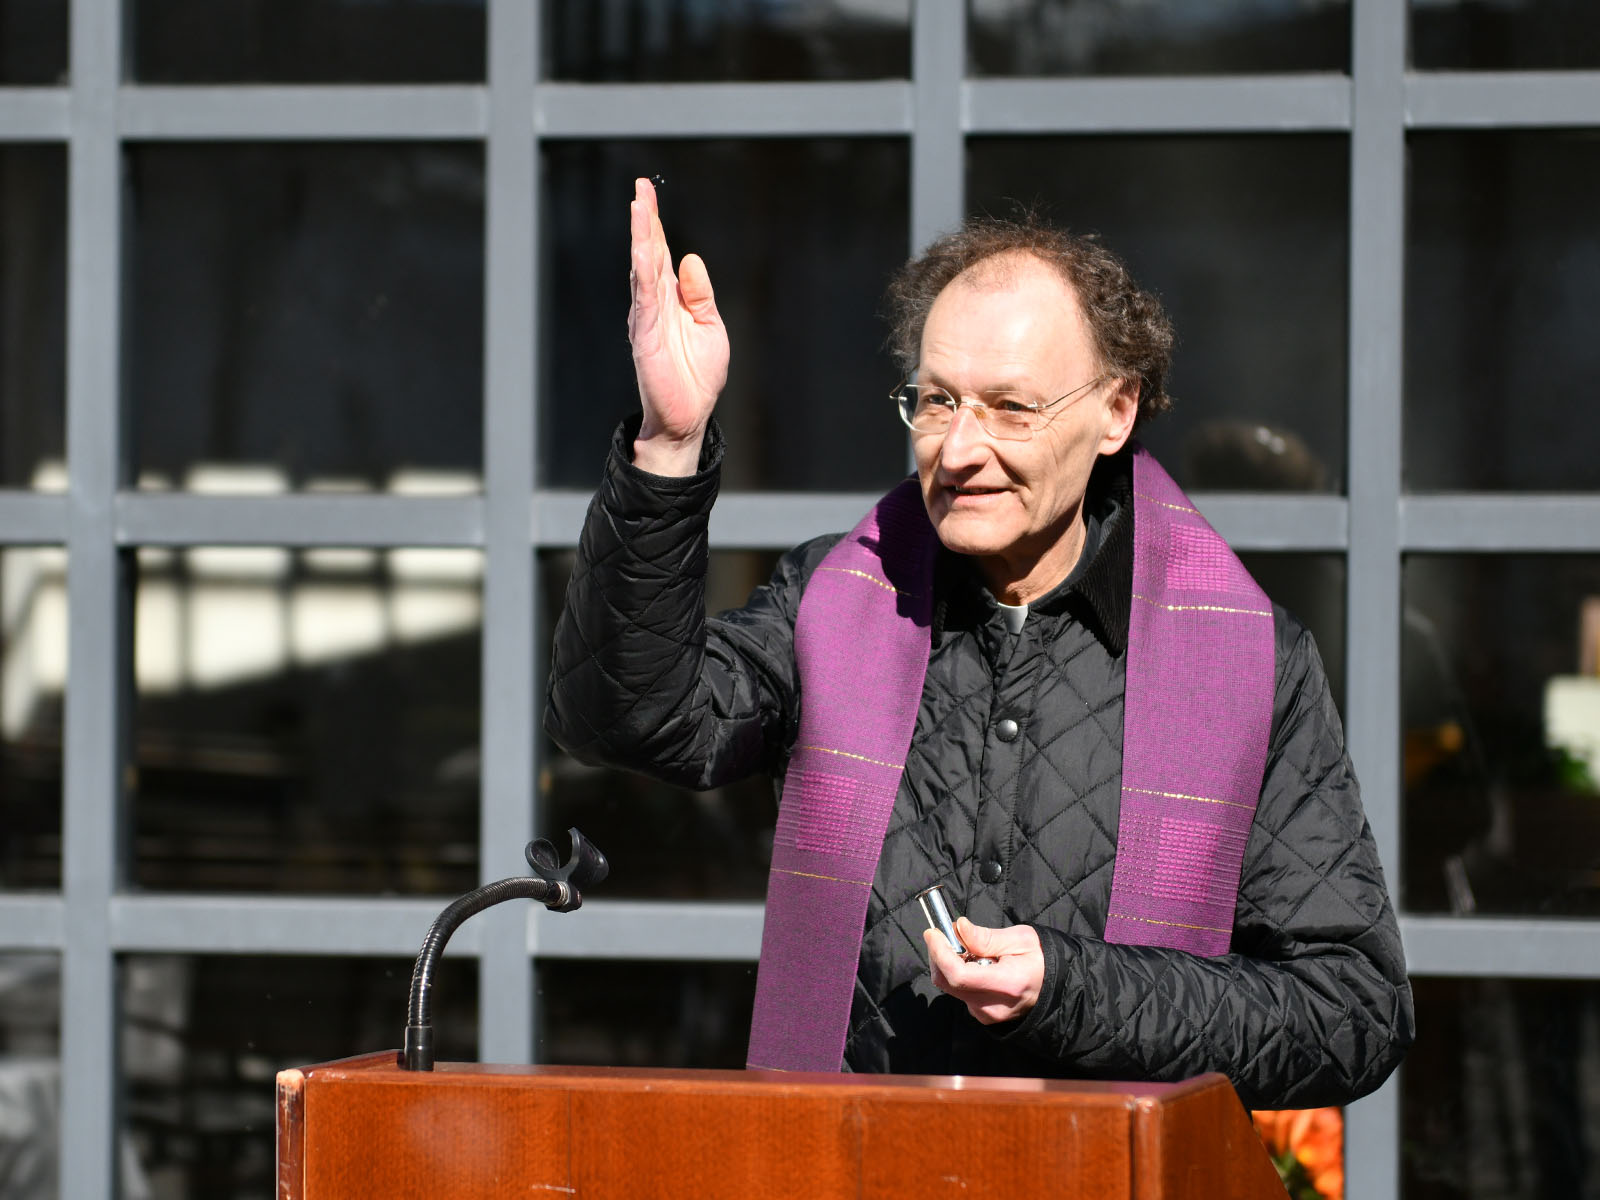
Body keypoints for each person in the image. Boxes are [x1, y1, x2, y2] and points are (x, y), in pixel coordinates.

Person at [545, 178, 1413, 1108]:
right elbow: (625, 718)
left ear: (1116, 411)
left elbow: (1351, 1011)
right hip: (849, 1163)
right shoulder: (833, 602)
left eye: (1009, 407)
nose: (958, 449)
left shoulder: (1248, 662)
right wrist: (669, 446)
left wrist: (1072, 991)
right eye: (937, 401)